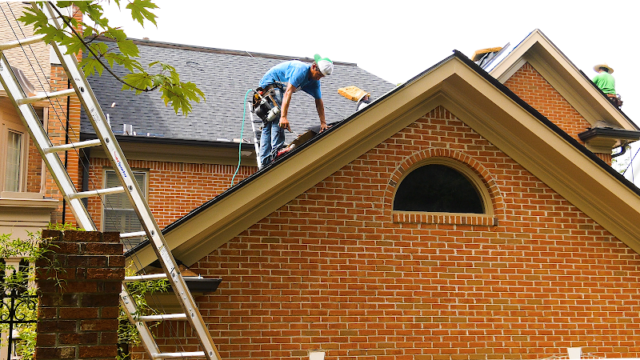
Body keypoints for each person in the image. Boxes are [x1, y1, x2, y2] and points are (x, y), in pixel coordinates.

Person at [257, 54, 333, 167]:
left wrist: (323, 122)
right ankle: (276, 152)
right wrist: (284, 117)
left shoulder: (314, 82)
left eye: (322, 76)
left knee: (269, 122)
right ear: (313, 67)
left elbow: (319, 102)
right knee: (278, 116)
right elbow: (288, 92)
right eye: (318, 74)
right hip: (270, 84)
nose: (319, 78)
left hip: (275, 87)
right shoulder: (301, 70)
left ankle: (264, 160)